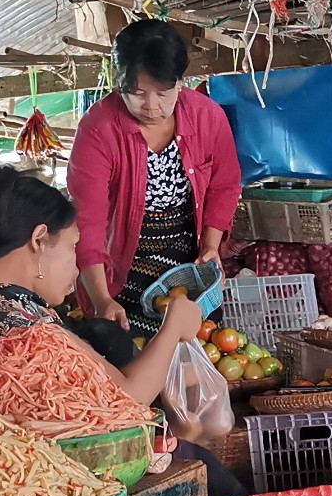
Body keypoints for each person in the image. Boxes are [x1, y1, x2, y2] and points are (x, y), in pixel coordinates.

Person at [0, 165, 203, 402]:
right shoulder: (25, 323)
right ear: (39, 240)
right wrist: (174, 327)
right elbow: (128, 399)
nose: (76, 269)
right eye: (73, 247)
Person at [67, 19, 242, 330]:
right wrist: (102, 299)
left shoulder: (207, 116)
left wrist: (211, 247)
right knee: (133, 359)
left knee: (198, 347)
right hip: (121, 269)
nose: (150, 106)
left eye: (163, 93)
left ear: (180, 82)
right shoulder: (98, 129)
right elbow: (88, 222)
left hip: (189, 264)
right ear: (118, 83)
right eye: (136, 93)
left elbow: (224, 184)